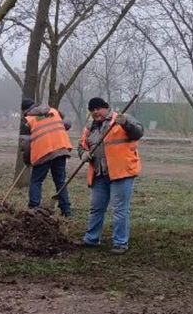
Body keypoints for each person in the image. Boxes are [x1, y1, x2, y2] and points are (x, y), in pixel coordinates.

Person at [78, 97, 144, 254]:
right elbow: (81, 146)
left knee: (120, 209)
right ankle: (91, 239)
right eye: (92, 110)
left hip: (121, 173)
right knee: (96, 208)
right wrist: (83, 154)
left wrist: (125, 123)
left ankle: (120, 243)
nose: (95, 112)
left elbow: (138, 133)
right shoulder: (89, 127)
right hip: (99, 174)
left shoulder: (121, 119)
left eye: (98, 108)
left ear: (106, 108)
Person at [19, 98, 73, 216]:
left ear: (25, 110)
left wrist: (28, 161)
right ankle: (66, 210)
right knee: (60, 182)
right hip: (60, 150)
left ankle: (34, 208)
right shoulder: (53, 111)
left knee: (36, 181)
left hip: (43, 153)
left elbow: (26, 145)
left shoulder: (28, 120)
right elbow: (68, 124)